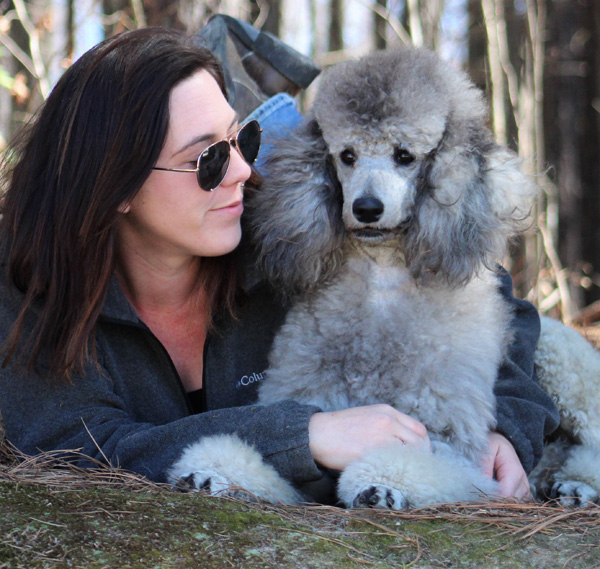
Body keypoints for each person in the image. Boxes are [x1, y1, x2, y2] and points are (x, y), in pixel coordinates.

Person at [0, 21, 558, 503]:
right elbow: (75, 450)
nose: (243, 171)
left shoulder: (284, 231)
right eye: (207, 159)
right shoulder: (32, 288)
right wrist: (303, 435)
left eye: (241, 140)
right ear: (115, 186)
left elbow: (493, 302)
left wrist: (507, 429)